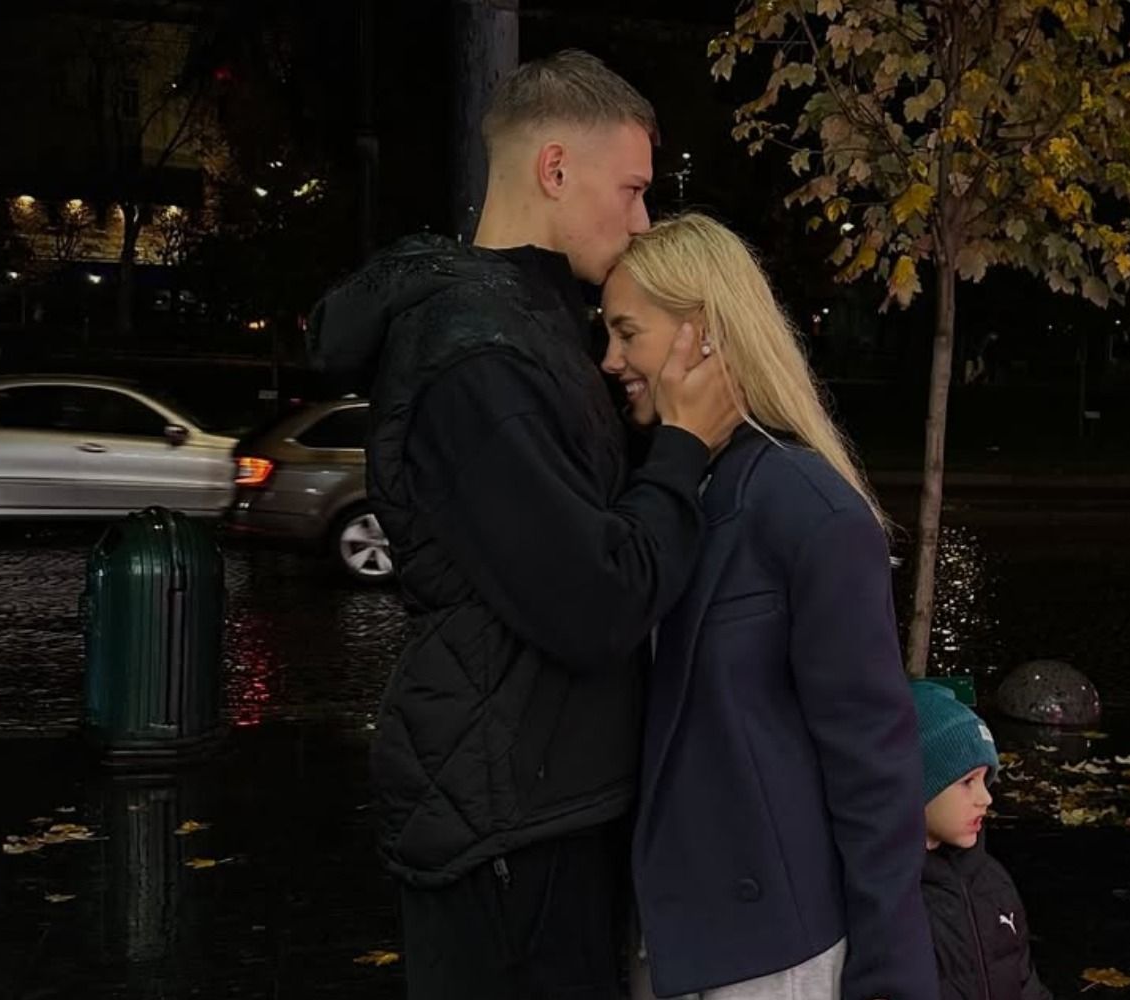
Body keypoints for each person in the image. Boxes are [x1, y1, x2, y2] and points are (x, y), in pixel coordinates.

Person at [306, 51, 742, 1000]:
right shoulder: (475, 358)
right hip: (507, 823)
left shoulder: (539, 326)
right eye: (632, 190)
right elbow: (596, 602)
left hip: (544, 798)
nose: (643, 221)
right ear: (554, 169)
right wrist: (683, 447)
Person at [603, 213, 938, 1000]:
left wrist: (891, 975)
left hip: (771, 959)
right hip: (671, 940)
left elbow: (873, 762)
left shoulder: (807, 508)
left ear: (703, 334)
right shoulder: (666, 490)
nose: (609, 359)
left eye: (626, 333)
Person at [911, 681, 1054, 1000]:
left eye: (985, 779)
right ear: (917, 787)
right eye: (967, 782)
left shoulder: (992, 881)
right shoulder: (892, 897)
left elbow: (1026, 984)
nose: (986, 798)